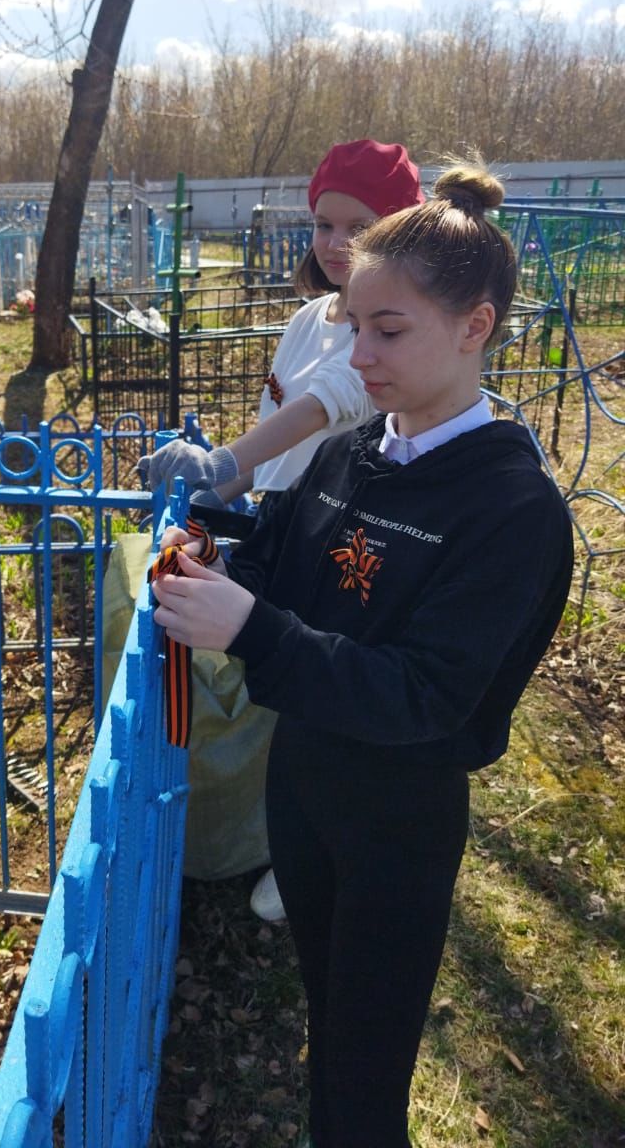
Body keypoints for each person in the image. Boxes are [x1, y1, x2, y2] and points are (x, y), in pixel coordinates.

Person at [150, 158, 574, 1148]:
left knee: (368, 1069)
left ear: (475, 326)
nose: (359, 353)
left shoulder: (511, 509)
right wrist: (201, 527)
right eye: (351, 325)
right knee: (328, 1021)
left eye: (389, 330)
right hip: (303, 784)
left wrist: (250, 628)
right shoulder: (355, 451)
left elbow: (425, 695)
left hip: (396, 818)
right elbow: (291, 561)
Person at [139, 139, 425, 917]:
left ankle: (305, 856)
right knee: (275, 697)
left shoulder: (390, 330)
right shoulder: (307, 317)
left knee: (317, 702)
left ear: (401, 228)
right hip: (280, 525)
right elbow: (278, 433)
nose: (336, 245)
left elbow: (327, 405)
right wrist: (213, 484)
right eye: (325, 224)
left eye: (358, 227)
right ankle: (278, 831)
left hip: (342, 535)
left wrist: (220, 457)